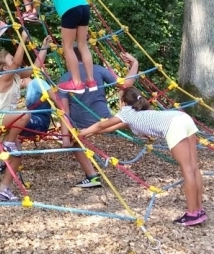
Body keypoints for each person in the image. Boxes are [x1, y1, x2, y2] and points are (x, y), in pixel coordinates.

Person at [80, 86, 206, 226]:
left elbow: (100, 125)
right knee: (193, 167)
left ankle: (192, 213)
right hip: (183, 118)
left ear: (123, 102)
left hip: (174, 125)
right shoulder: (138, 113)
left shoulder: (127, 112)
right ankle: (198, 210)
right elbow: (107, 128)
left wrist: (81, 134)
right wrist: (88, 133)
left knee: (187, 169)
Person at [0, 32, 64, 201]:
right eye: (10, 59)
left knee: (17, 156)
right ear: (5, 68)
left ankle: (3, 190)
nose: (14, 60)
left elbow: (36, 67)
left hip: (10, 120)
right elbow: (16, 63)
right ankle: (8, 143)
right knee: (25, 114)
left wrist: (43, 47)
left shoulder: (16, 76)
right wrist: (22, 39)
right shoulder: (4, 78)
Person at [11, 0, 96, 94]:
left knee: (67, 47)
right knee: (83, 45)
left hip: (70, 9)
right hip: (84, 6)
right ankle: (91, 81)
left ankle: (77, 83)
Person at [60, 50, 139, 188]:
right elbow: (126, 84)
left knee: (75, 142)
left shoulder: (65, 78)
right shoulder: (98, 69)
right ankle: (143, 129)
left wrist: (66, 137)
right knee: (126, 121)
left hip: (81, 125)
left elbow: (64, 110)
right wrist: (135, 64)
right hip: (104, 120)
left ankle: (91, 176)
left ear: (70, 59)